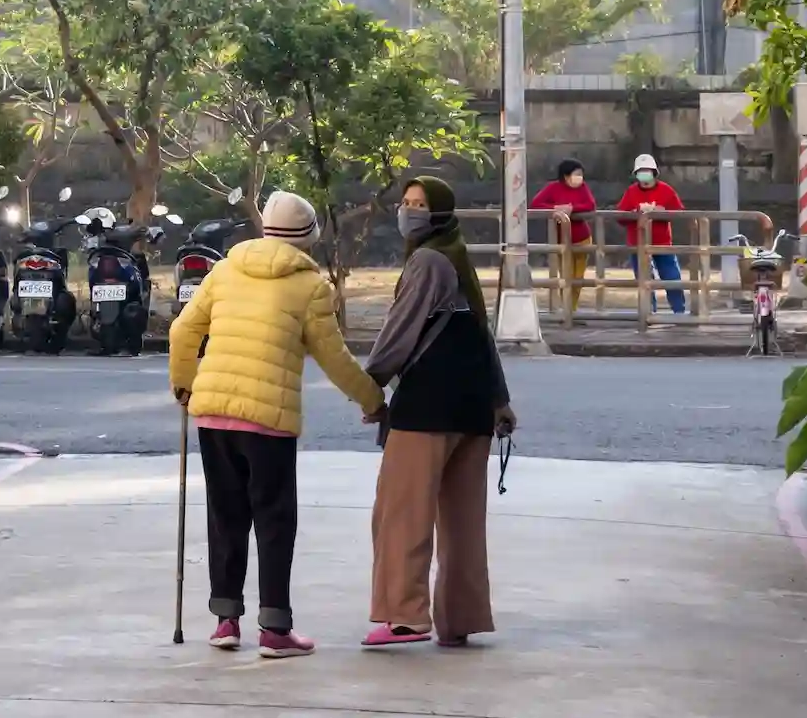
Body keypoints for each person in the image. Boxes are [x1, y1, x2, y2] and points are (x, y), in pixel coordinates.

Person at [167, 189, 385, 658]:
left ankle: (226, 622)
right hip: (268, 420)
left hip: (213, 411)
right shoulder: (310, 287)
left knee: (225, 516)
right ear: (308, 238)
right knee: (273, 519)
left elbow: (183, 330)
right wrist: (373, 399)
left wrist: (184, 383)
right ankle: (274, 628)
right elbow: (335, 358)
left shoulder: (224, 270)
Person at [361, 175, 513, 648]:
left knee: (401, 512)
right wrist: (500, 400)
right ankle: (459, 617)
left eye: (420, 204)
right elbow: (482, 338)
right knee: (463, 521)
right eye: (406, 202)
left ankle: (404, 616)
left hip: (428, 405)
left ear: (440, 213)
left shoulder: (426, 262)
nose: (409, 211)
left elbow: (400, 330)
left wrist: (371, 385)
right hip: (474, 408)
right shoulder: (458, 259)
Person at [614, 154, 690, 316]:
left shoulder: (666, 190)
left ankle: (679, 310)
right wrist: (635, 213)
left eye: (647, 170)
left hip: (662, 243)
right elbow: (620, 216)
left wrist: (661, 211)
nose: (644, 174)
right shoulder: (631, 192)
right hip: (638, 244)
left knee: (671, 277)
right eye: (640, 171)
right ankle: (649, 312)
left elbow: (679, 212)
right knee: (644, 279)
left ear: (654, 172)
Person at [527, 158, 599, 315]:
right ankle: (566, 309)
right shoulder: (553, 188)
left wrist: (572, 208)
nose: (579, 177)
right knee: (565, 275)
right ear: (566, 176)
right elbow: (536, 204)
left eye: (581, 174)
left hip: (582, 238)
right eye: (576, 174)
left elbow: (590, 205)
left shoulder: (583, 188)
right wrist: (555, 209)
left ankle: (571, 310)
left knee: (577, 277)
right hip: (562, 240)